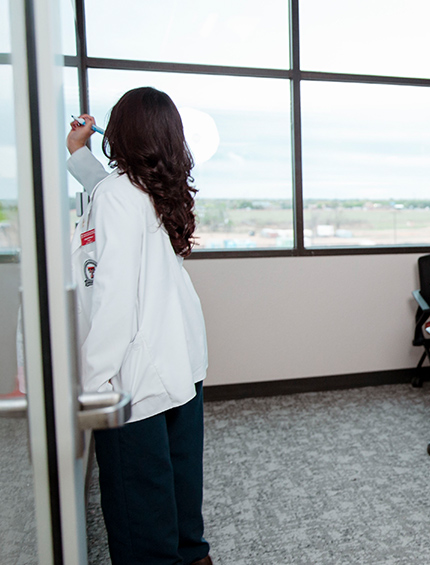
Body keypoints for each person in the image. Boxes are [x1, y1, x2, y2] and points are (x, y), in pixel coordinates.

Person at [66, 88, 213, 565]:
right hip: (182, 359)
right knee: (178, 482)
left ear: (121, 133)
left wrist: (93, 384)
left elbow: (112, 298)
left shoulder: (119, 194)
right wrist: (79, 156)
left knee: (139, 508)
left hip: (136, 374)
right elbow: (117, 205)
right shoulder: (158, 188)